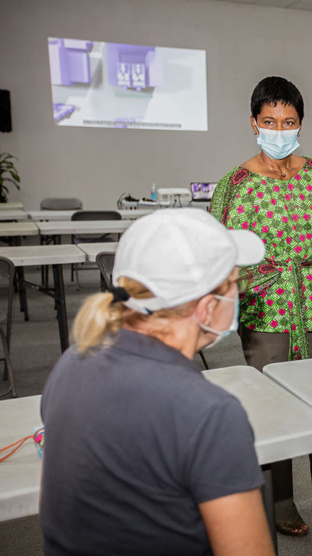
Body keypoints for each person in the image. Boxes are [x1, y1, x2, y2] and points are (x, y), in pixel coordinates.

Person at [39, 209, 274, 555]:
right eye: (236, 284)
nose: (241, 296)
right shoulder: (209, 413)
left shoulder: (72, 362)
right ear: (207, 307)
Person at [210, 76, 312, 537]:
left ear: (300, 124)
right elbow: (221, 258)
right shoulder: (235, 185)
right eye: (270, 121)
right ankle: (279, 501)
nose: (280, 129)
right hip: (266, 308)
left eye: (289, 121)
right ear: (254, 123)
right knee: (273, 411)